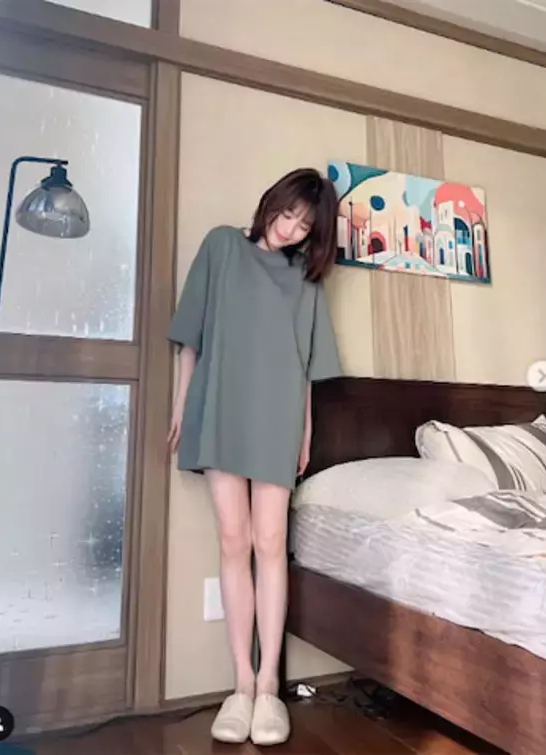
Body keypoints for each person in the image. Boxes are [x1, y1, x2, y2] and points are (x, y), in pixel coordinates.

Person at [167, 168, 341, 746]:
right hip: (220, 405)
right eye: (287, 214)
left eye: (304, 225)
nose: (290, 229)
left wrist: (305, 432)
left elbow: (307, 364)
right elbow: (191, 335)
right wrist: (182, 405)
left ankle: (269, 687)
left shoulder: (306, 278)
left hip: (277, 414)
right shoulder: (222, 246)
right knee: (232, 541)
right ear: (271, 203)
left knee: (271, 544)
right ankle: (240, 683)